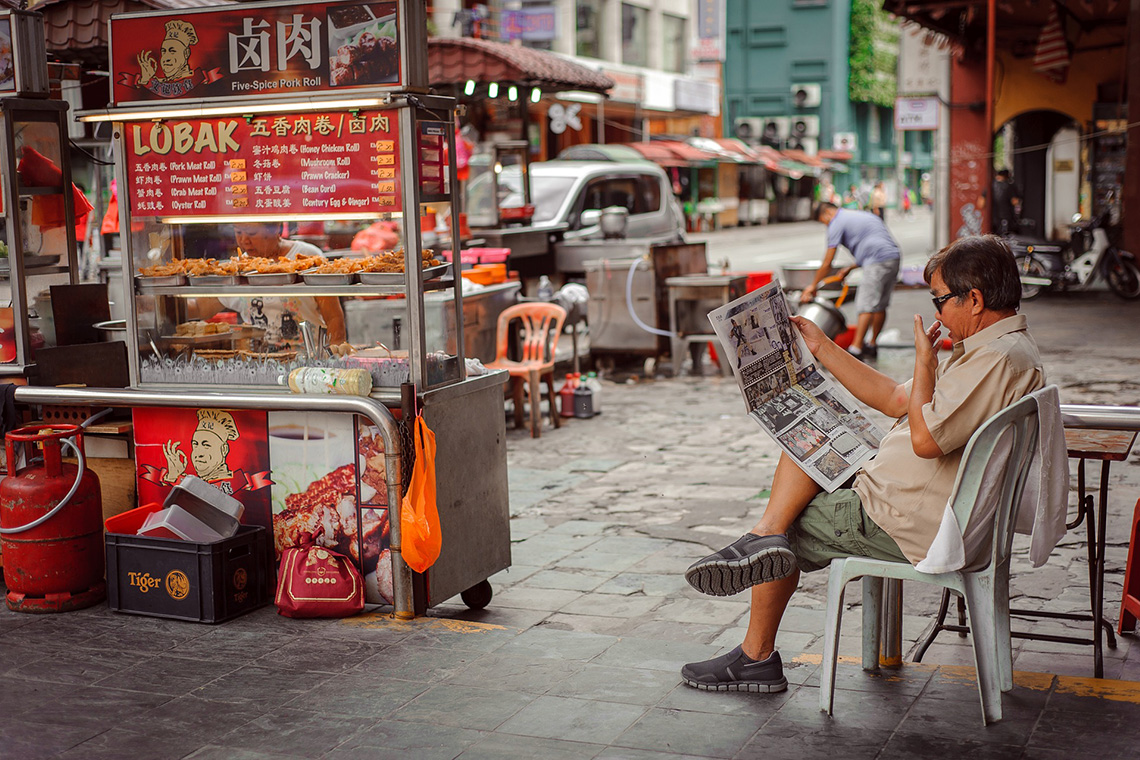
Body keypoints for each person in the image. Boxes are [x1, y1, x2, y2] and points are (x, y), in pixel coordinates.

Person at [680, 235, 1044, 693]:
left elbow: (926, 440)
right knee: (807, 438)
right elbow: (898, 400)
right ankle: (762, 536)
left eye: (941, 300)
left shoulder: (996, 360)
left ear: (974, 300)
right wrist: (824, 349)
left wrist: (925, 364)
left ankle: (756, 651)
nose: (936, 312)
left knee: (787, 529)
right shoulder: (998, 349)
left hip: (903, 516)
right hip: (907, 495)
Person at [197, 223, 346, 349]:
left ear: (276, 229)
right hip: (257, 366)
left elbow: (334, 318)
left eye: (251, 233)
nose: (244, 240)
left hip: (306, 366)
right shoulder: (237, 268)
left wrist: (333, 357)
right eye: (238, 232)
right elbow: (200, 308)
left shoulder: (308, 256)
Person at [801, 202, 901, 360]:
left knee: (865, 304)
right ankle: (872, 345)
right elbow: (873, 242)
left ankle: (856, 349)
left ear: (827, 213)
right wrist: (852, 267)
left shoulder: (836, 222)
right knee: (880, 304)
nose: (826, 225)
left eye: (823, 221)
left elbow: (828, 262)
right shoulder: (857, 215)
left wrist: (813, 286)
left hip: (876, 261)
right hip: (892, 257)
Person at [992, 169, 1022, 235]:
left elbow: (981, 203)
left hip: (992, 216)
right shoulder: (1009, 186)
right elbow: (1015, 201)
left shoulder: (991, 185)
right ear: (1007, 176)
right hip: (1006, 216)